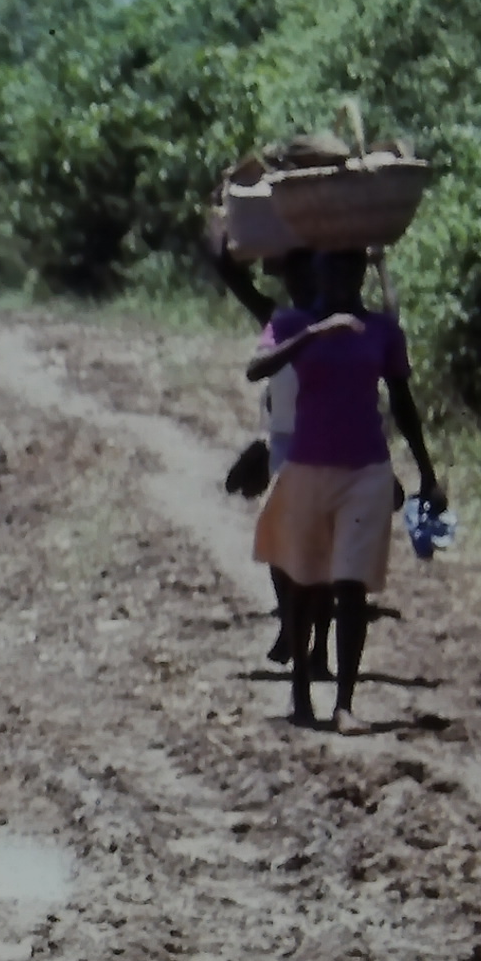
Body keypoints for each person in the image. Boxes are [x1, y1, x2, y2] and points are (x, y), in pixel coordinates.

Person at [244, 247, 441, 732]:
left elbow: (402, 400)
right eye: (332, 266)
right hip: (306, 467)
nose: (341, 275)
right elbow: (256, 368)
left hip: (366, 470)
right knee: (305, 581)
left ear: (360, 273)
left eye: (350, 266)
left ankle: (344, 704)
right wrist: (316, 333)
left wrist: (427, 472)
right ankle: (301, 691)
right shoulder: (292, 322)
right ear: (318, 271)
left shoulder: (381, 330)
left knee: (351, 585)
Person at [203, 230, 314, 670]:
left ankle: (313, 642)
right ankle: (291, 622)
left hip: (335, 440)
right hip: (284, 442)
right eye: (294, 275)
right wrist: (224, 235)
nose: (300, 284)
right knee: (278, 541)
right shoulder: (278, 320)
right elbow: (233, 276)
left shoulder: (345, 322)